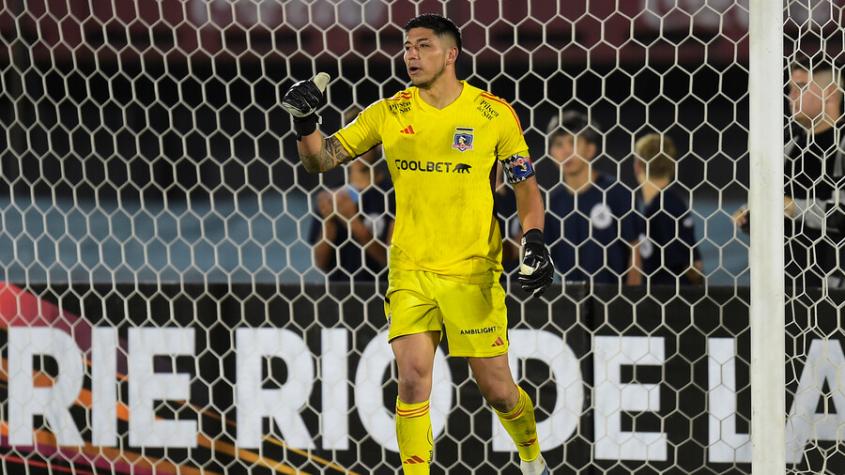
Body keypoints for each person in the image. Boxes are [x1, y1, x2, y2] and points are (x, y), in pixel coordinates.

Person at [281, 13, 554, 475]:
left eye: (423, 45)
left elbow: (526, 187)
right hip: (410, 270)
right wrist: (306, 121)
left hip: (472, 272)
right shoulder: (389, 112)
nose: (411, 54)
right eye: (407, 46)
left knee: (500, 391)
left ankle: (531, 459)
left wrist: (535, 240)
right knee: (411, 379)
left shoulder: (492, 113)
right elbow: (320, 160)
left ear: (451, 55)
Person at [733, 55, 844, 289]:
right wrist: (754, 218)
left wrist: (790, 206)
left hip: (831, 289)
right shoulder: (786, 145)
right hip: (781, 286)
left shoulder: (841, 144)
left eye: (801, 88)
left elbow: (840, 214)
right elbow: (779, 210)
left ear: (831, 93)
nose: (791, 97)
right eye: (790, 89)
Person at [543, 110, 641, 285]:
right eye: (558, 144)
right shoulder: (552, 203)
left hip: (615, 299)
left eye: (573, 142)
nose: (565, 151)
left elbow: (635, 249)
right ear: (550, 153)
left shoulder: (617, 193)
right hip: (570, 302)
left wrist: (630, 301)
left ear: (590, 149)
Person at [309, 106, 394, 282]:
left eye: (364, 141)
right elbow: (320, 263)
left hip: (381, 295)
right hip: (339, 296)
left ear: (378, 144)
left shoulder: (394, 193)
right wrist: (329, 221)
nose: (358, 149)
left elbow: (391, 263)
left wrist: (352, 221)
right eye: (352, 141)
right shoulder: (332, 196)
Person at [633, 133, 703, 285]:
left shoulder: (662, 208)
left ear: (637, 165)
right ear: (672, 166)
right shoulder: (671, 202)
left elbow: (690, 266)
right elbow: (695, 264)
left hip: (667, 302)